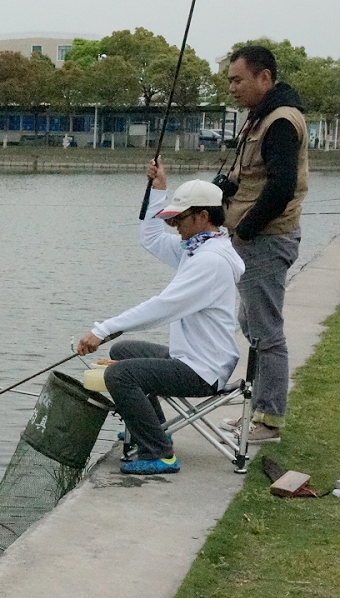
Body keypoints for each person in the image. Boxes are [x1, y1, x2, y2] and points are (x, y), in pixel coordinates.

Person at [77, 158, 245, 475]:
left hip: (202, 370)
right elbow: (151, 237)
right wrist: (159, 190)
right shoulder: (197, 247)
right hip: (192, 357)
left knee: (120, 375)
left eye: (179, 219)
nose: (174, 225)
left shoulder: (209, 261)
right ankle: (154, 429)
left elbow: (162, 307)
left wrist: (103, 329)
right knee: (123, 352)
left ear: (203, 216)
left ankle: (159, 452)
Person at [218, 45, 309, 443]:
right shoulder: (259, 119)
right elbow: (244, 179)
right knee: (251, 323)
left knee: (266, 332)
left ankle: (268, 420)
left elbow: (281, 188)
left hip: (267, 242)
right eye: (230, 81)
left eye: (238, 80)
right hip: (255, 242)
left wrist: (244, 230)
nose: (232, 88)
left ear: (264, 78)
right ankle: (256, 410)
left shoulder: (281, 123)